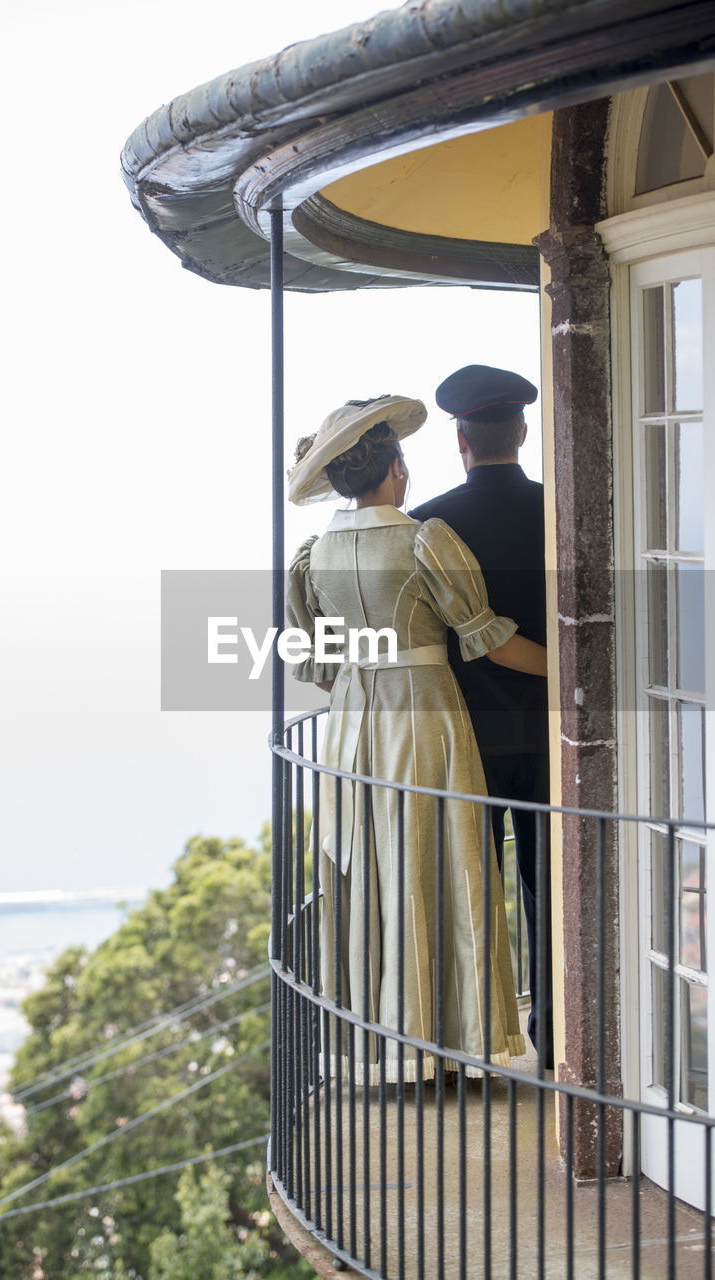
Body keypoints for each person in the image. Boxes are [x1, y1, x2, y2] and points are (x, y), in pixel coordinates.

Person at [286, 394, 547, 1081]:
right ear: (396, 470)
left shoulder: (313, 555)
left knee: (373, 871)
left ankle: (382, 1048)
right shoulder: (423, 538)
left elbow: (315, 664)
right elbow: (488, 640)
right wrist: (576, 665)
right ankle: (456, 1045)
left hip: (351, 724)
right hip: (425, 714)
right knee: (444, 865)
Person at [409, 364, 554, 1069]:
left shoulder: (426, 526)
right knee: (550, 886)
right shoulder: (562, 508)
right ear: (521, 432)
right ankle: (558, 1040)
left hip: (463, 735)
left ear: (460, 442)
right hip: (555, 732)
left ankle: (466, 1043)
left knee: (467, 890)